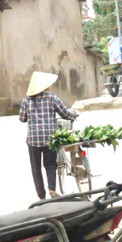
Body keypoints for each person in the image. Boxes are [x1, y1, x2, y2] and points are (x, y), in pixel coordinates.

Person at [19, 71, 78, 200]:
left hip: (33, 139)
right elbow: (65, 114)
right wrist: (75, 114)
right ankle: (52, 189)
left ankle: (41, 197)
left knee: (36, 168)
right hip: (50, 138)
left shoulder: (26, 101)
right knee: (50, 164)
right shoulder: (52, 98)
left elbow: (22, 118)